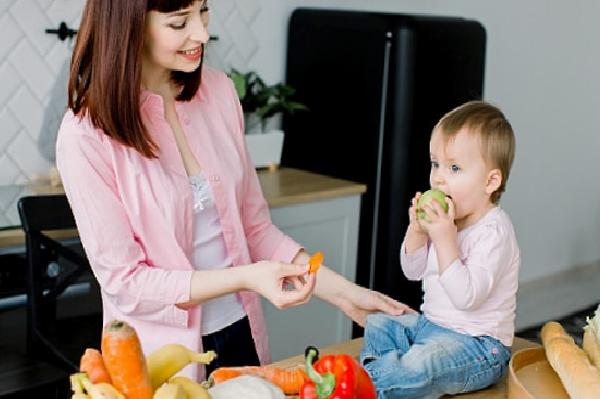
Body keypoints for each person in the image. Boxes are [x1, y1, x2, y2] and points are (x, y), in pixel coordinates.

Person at [56, 0, 412, 380]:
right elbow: (127, 283)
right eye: (180, 23)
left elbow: (254, 229)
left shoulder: (218, 92)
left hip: (242, 335)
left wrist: (345, 293)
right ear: (128, 27)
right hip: (158, 362)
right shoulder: (85, 137)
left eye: (203, 11)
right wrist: (246, 277)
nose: (202, 33)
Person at [359, 101, 520, 399]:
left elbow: (466, 297)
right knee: (379, 323)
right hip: (430, 326)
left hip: (479, 346)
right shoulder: (448, 218)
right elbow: (413, 270)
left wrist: (446, 240)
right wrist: (417, 232)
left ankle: (372, 383)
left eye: (454, 167)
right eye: (436, 164)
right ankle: (389, 380)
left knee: (424, 361)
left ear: (490, 181)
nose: (439, 178)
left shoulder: (494, 231)